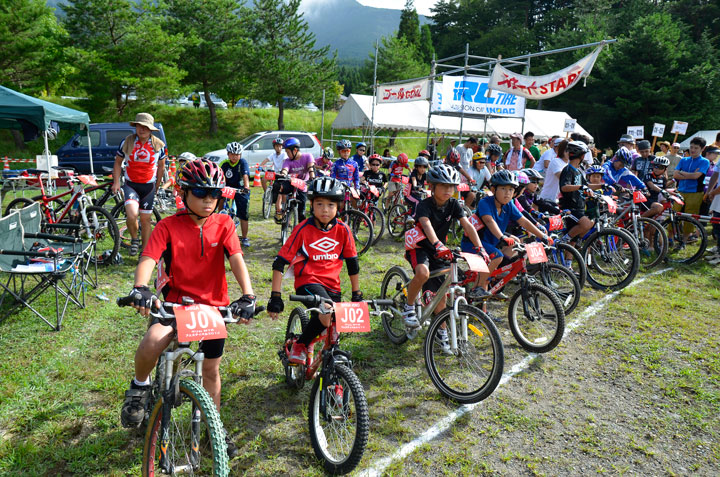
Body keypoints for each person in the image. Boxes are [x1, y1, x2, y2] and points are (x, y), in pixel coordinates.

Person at [119, 158, 256, 458]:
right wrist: (140, 287)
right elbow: (148, 258)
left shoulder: (224, 224)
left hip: (212, 308)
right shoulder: (168, 225)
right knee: (153, 341)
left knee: (211, 370)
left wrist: (248, 294)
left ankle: (214, 428)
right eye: (201, 193)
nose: (209, 200)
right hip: (174, 303)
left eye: (215, 194)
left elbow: (235, 259)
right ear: (184, 194)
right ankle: (139, 387)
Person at [267, 177, 361, 364]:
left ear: (338, 206)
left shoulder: (343, 230)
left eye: (330, 204)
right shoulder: (303, 229)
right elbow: (280, 262)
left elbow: (352, 263)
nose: (325, 209)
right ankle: (300, 344)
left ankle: (328, 371)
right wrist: (275, 296)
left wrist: (357, 293)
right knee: (326, 313)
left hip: (333, 286)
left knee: (334, 329)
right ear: (311, 204)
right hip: (308, 282)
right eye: (319, 204)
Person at [403, 164, 486, 351]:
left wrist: (480, 247)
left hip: (439, 250)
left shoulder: (454, 205)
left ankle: (441, 333)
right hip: (420, 247)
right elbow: (426, 225)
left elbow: (467, 225)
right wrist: (437, 243)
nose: (448, 190)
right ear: (432, 187)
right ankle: (408, 307)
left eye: (452, 186)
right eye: (443, 186)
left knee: (442, 294)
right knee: (423, 273)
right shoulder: (424, 205)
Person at [463, 170, 551, 300]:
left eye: (511, 189)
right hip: (474, 243)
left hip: (491, 242)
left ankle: (493, 277)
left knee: (516, 246)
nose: (508, 193)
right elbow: (489, 221)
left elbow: (523, 220)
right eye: (503, 188)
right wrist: (502, 237)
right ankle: (478, 288)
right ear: (493, 190)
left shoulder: (509, 204)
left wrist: (542, 235)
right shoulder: (485, 202)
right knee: (496, 256)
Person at [112, 112, 168, 256]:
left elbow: (161, 166)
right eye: (139, 126)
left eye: (145, 127)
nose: (141, 129)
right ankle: (135, 239)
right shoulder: (127, 142)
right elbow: (118, 163)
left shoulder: (158, 145)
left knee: (146, 219)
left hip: (148, 187)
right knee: (132, 215)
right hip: (131, 185)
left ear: (150, 129)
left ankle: (145, 252)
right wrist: (116, 182)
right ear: (135, 127)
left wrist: (158, 184)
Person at [558, 141, 602, 245]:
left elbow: (586, 185)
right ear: (581, 155)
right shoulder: (568, 170)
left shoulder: (577, 171)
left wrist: (602, 185)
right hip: (571, 207)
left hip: (579, 206)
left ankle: (568, 260)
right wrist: (581, 187)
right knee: (586, 224)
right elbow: (564, 187)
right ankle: (562, 241)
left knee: (574, 240)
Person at [673, 137, 710, 239]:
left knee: (690, 216)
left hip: (695, 193)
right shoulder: (684, 159)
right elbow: (675, 175)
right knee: (674, 213)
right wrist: (691, 174)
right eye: (691, 147)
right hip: (680, 191)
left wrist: (682, 173)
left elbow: (696, 177)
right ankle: (671, 238)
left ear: (702, 149)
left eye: (696, 148)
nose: (692, 150)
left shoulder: (705, 161)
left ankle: (684, 240)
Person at [273, 137, 315, 222]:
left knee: (302, 214)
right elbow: (285, 169)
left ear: (295, 150)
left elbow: (311, 168)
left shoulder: (307, 156)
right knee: (278, 186)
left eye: (288, 152)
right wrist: (282, 174)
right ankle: (280, 211)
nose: (287, 154)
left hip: (302, 185)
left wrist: (312, 177)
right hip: (290, 183)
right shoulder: (287, 161)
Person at [220, 142, 251, 247]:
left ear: (240, 155)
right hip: (227, 188)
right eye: (232, 154)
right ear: (228, 154)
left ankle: (245, 237)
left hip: (240, 189)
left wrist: (246, 186)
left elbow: (245, 175)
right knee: (219, 200)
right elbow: (221, 175)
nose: (234, 157)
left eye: (237, 154)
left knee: (243, 214)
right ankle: (220, 215)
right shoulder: (225, 163)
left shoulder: (242, 162)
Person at [536, 139, 569, 214]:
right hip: (548, 199)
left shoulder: (568, 165)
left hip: (560, 201)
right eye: (567, 150)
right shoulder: (556, 161)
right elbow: (563, 178)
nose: (570, 153)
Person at [331, 139, 360, 206]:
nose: (346, 153)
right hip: (339, 188)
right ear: (339, 152)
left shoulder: (354, 163)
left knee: (356, 203)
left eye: (348, 151)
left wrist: (357, 188)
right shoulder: (336, 164)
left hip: (350, 188)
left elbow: (356, 178)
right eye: (344, 151)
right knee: (339, 205)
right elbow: (333, 178)